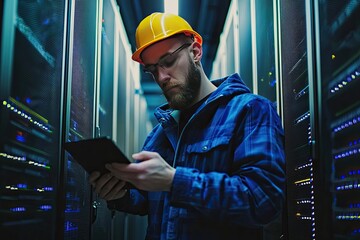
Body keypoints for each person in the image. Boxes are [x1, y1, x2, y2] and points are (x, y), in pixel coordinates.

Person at [89, 12, 285, 240]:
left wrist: (174, 181)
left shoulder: (249, 110)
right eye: (153, 70)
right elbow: (147, 202)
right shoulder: (160, 133)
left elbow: (263, 200)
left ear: (195, 52)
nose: (161, 77)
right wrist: (118, 194)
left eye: (168, 61)